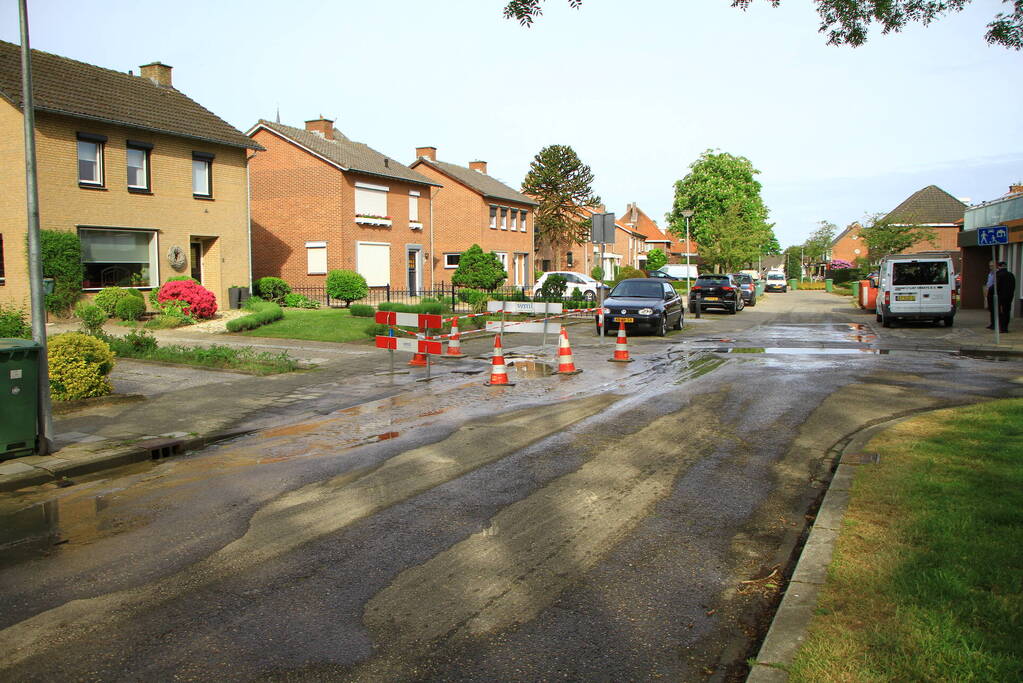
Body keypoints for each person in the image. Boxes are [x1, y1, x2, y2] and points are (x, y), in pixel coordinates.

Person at [987, 261, 1016, 332]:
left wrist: (989, 290)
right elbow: (1013, 286)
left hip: (1000, 297)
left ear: (999, 267)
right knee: (1006, 312)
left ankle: (1001, 327)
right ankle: (1005, 327)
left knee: (1000, 312)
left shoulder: (999, 275)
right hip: (1009, 297)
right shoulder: (1011, 275)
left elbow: (996, 286)